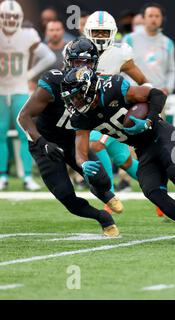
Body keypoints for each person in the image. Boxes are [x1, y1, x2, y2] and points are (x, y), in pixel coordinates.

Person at [63, 66, 175, 244]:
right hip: (143, 149)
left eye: (77, 96)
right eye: (71, 98)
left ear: (89, 89)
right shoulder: (81, 117)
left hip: (161, 134)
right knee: (152, 191)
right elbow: (80, 151)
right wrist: (83, 163)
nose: (74, 102)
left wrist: (148, 120)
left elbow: (157, 94)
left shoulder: (114, 88)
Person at [17, 38, 121, 236]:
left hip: (73, 140)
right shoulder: (53, 82)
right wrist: (42, 142)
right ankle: (102, 217)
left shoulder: (96, 84)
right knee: (66, 195)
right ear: (67, 62)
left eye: (87, 63)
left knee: (102, 181)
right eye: (77, 62)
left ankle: (103, 193)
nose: (82, 68)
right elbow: (23, 116)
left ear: (95, 64)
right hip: (46, 142)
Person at [83, 11, 151, 211]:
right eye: (97, 32)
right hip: (91, 115)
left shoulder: (120, 53)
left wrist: (147, 105)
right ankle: (159, 187)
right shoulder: (78, 51)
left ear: (112, 33)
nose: (101, 37)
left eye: (105, 33)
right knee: (124, 160)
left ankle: (109, 197)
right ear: (88, 32)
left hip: (114, 115)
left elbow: (143, 82)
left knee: (95, 145)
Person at [0, 0, 56, 191]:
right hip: (1, 90)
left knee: (26, 133)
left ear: (20, 18)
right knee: (0, 134)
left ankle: (26, 176)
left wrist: (30, 74)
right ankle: (3, 175)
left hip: (20, 88)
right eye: (6, 16)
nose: (9, 20)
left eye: (13, 16)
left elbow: (49, 56)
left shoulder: (27, 34)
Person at [123, 3, 175, 95]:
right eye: (150, 16)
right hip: (134, 93)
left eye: (157, 16)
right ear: (143, 18)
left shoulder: (168, 43)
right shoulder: (129, 39)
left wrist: (168, 88)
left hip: (159, 94)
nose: (154, 19)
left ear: (162, 19)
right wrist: (128, 88)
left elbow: (172, 69)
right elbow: (122, 66)